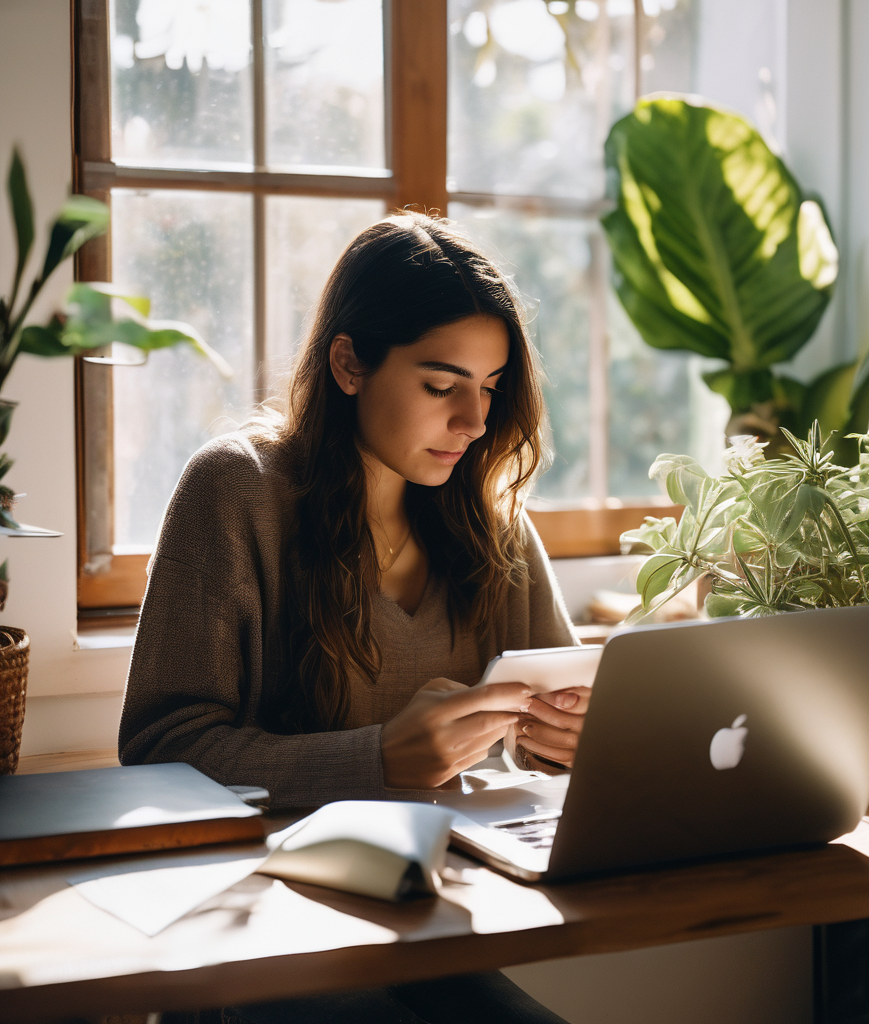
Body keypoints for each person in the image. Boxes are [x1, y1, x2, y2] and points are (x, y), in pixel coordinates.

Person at [120, 212, 587, 1023]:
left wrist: (566, 741)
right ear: (348, 363)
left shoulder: (492, 522)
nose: (474, 423)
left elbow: (574, 706)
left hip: (434, 924)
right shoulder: (235, 494)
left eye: (490, 388)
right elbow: (161, 751)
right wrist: (376, 759)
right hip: (255, 937)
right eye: (442, 386)